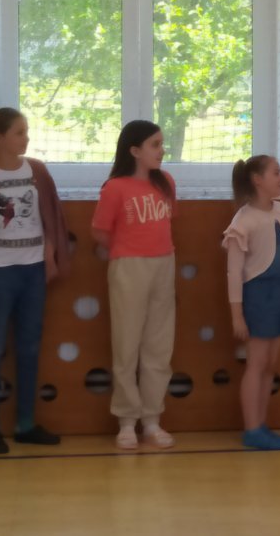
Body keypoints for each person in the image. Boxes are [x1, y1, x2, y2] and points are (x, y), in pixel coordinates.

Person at [0, 108, 70, 454]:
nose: (25, 138)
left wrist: (50, 256)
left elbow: (50, 217)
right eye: (18, 132)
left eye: (26, 132)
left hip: (33, 271)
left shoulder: (37, 171)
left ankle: (25, 424)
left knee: (29, 347)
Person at [91, 120, 176, 450]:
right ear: (135, 150)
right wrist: (125, 251)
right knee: (126, 345)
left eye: (162, 143)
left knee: (159, 346)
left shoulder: (166, 182)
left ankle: (152, 420)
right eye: (155, 144)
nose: (161, 150)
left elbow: (169, 222)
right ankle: (126, 421)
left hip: (164, 264)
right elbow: (100, 231)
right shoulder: (115, 188)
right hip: (128, 267)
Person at [223, 155, 280, 450]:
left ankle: (262, 425)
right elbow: (234, 272)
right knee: (257, 363)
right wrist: (237, 315)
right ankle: (252, 429)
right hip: (260, 297)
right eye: (276, 173)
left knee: (270, 364)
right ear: (258, 180)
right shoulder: (244, 220)